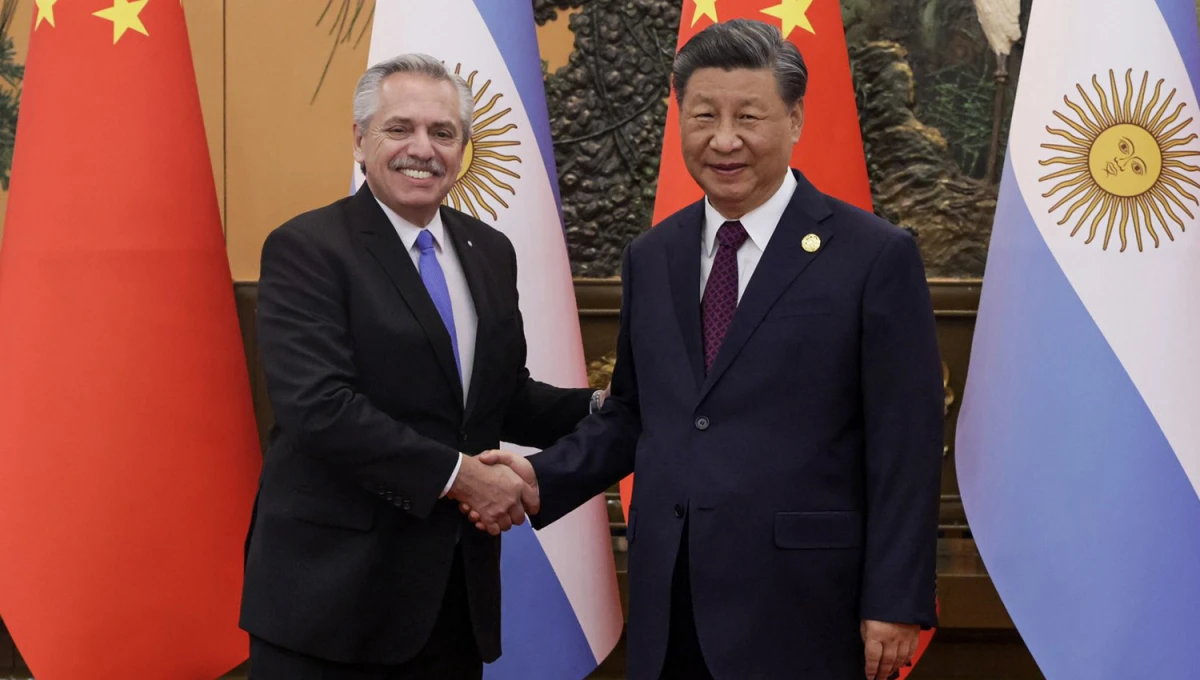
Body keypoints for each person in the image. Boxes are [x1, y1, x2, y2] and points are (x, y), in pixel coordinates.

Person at [469, 18, 943, 680]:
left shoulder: (873, 255)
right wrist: (538, 478)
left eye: (748, 116)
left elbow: (906, 441)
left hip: (805, 606)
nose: (724, 140)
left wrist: (895, 599)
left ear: (796, 119)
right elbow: (637, 414)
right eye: (703, 116)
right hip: (672, 597)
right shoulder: (653, 255)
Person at [239, 53, 602, 679]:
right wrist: (464, 478)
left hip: (449, 599)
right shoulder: (308, 248)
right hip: (331, 602)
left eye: (443, 133)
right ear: (359, 139)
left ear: (462, 147)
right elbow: (319, 408)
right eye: (399, 128)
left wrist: (606, 409)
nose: (422, 149)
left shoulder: (488, 251)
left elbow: (499, 397)